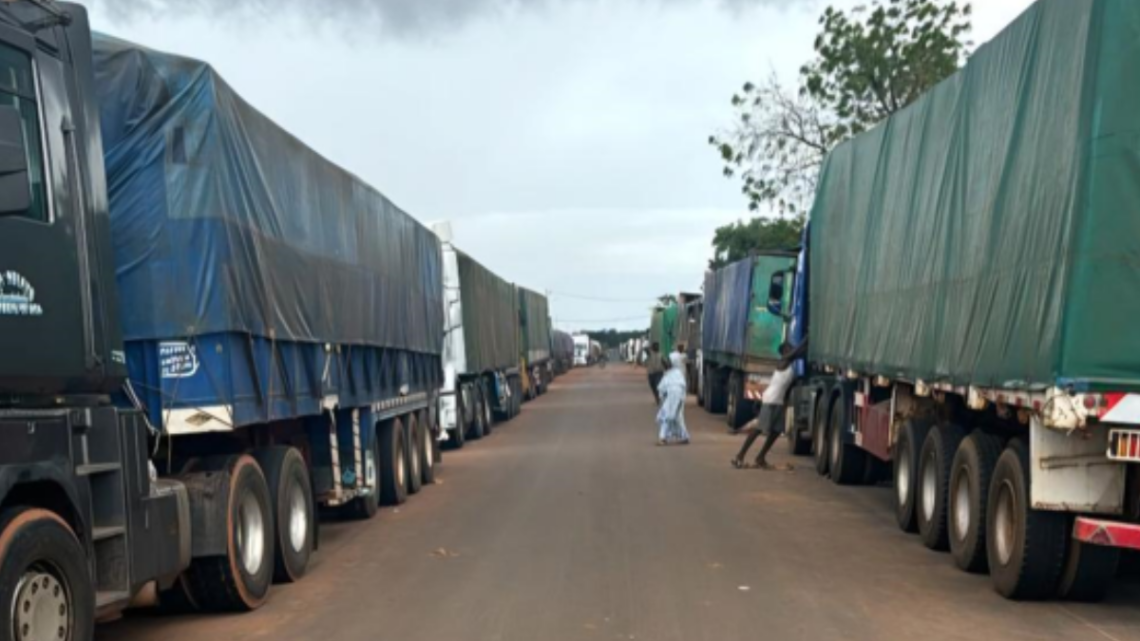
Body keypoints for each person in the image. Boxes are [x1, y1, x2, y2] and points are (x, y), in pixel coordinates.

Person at [731, 339, 809, 470]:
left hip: (777, 402)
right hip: (770, 400)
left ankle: (760, 457)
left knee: (776, 431)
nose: (792, 349)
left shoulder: (789, 365)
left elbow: (798, 355)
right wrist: (806, 338)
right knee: (759, 429)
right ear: (784, 351)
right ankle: (739, 456)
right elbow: (796, 353)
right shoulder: (783, 361)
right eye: (789, 348)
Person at [656, 353, 691, 445]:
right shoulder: (678, 373)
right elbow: (683, 387)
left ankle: (662, 437)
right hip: (679, 397)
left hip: (673, 397)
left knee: (666, 416)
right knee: (678, 417)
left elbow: (661, 388)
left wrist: (662, 397)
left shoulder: (670, 374)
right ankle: (684, 436)